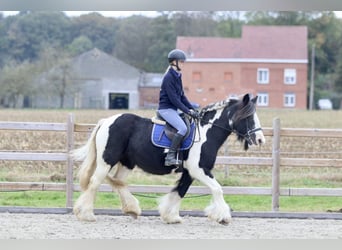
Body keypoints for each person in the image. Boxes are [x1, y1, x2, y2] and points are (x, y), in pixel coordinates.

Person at [158, 49, 200, 166]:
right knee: (183, 128)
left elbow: (181, 96)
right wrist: (187, 111)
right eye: (181, 61)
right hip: (166, 109)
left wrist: (192, 109)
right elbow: (174, 100)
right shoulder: (168, 77)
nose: (183, 63)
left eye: (183, 61)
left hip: (173, 110)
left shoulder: (177, 76)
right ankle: (170, 156)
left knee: (189, 123)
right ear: (174, 62)